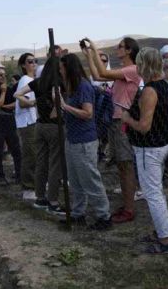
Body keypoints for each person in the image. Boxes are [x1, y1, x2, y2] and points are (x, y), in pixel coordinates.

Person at [121, 48, 168, 254]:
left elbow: (144, 126)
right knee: (156, 191)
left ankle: (165, 239)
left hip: (149, 148)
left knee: (152, 194)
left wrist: (127, 119)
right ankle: (163, 232)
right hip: (159, 145)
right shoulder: (164, 86)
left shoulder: (151, 90)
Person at [82, 37, 142, 224]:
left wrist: (95, 49)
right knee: (122, 165)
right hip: (116, 122)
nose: (118, 49)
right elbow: (98, 77)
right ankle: (127, 205)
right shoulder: (124, 71)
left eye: (121, 47)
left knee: (126, 165)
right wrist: (90, 55)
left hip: (123, 122)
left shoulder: (131, 70)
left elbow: (101, 72)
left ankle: (129, 208)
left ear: (130, 50)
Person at [59, 53, 112, 230]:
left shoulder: (83, 86)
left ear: (68, 68)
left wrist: (65, 107)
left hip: (84, 141)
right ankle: (78, 213)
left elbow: (88, 113)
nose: (60, 71)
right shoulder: (72, 87)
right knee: (75, 180)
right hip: (73, 139)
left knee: (90, 179)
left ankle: (104, 217)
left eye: (61, 67)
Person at [15, 56, 64, 215]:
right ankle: (53, 201)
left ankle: (40, 197)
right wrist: (55, 110)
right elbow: (58, 101)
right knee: (55, 164)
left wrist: (33, 103)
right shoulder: (58, 83)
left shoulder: (38, 82)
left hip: (39, 125)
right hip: (55, 126)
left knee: (41, 162)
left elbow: (17, 94)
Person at [0, 65, 22, 186]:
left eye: (4, 74)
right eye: (0, 74)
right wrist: (3, 93)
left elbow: (16, 104)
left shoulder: (11, 89)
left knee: (16, 150)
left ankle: (19, 175)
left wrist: (4, 105)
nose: (3, 76)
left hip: (11, 123)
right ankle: (1, 177)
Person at [14, 53, 39, 201]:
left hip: (33, 120)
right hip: (27, 121)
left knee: (35, 154)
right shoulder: (25, 80)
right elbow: (23, 102)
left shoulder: (33, 79)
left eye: (35, 61)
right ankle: (28, 188)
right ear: (23, 65)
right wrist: (38, 102)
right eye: (30, 61)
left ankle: (35, 184)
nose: (33, 64)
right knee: (30, 155)